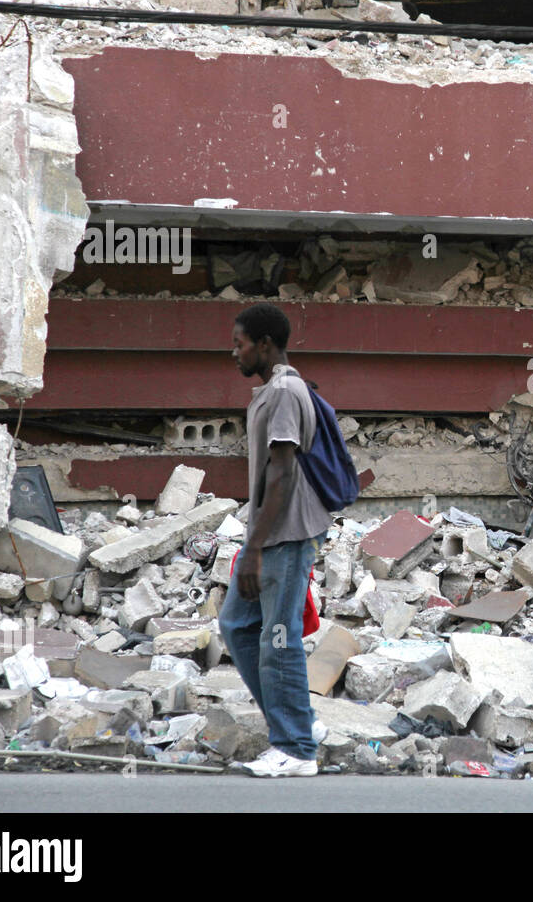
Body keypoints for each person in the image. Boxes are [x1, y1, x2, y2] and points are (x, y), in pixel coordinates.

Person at [220, 303, 331, 777]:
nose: (234, 352)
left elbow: (283, 472)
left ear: (264, 345)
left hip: (284, 536)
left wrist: (256, 550)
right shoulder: (274, 390)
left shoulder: (285, 392)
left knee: (278, 639)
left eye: (240, 343)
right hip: (270, 533)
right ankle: (298, 723)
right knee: (239, 625)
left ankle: (296, 749)